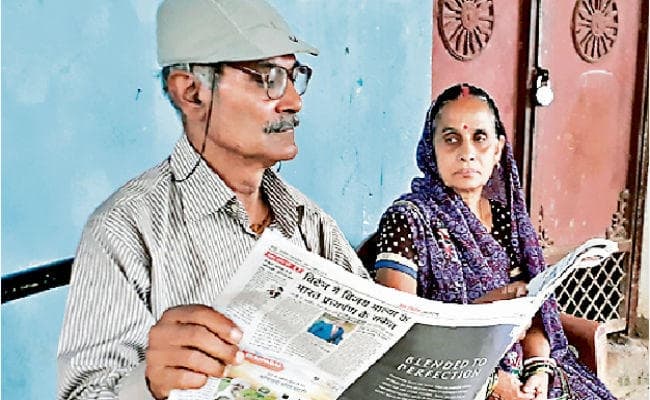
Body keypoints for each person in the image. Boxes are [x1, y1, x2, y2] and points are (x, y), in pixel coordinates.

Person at [57, 1, 368, 399]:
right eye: (270, 78)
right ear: (191, 92)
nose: (294, 101)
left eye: (294, 77)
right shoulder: (126, 228)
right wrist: (149, 386)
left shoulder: (310, 222)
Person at [374, 84, 616, 399]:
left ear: (498, 149)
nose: (467, 152)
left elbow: (534, 313)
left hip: (521, 374)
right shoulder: (407, 220)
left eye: (480, 138)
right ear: (430, 148)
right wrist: (491, 382)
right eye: (451, 139)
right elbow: (401, 331)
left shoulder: (508, 222)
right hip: (449, 379)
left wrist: (538, 370)